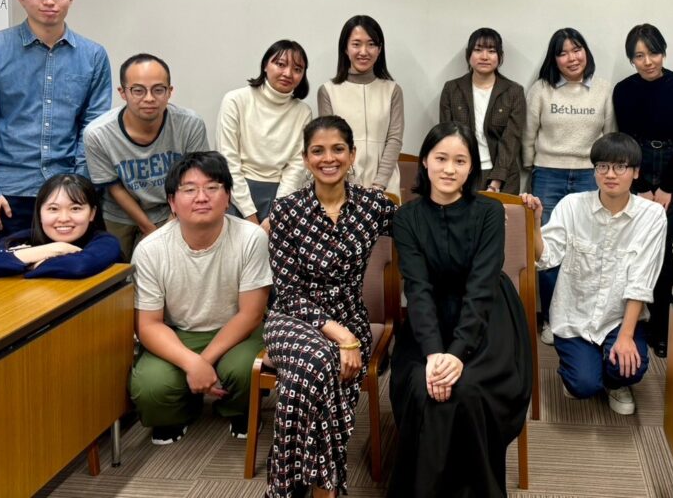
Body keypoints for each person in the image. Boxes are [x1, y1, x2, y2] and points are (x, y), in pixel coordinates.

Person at [389, 122, 532, 498]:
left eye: (460, 160)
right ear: (425, 161)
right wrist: (435, 353)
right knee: (423, 387)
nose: (449, 169)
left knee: (467, 390)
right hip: (428, 323)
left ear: (471, 168)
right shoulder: (407, 217)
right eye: (441, 158)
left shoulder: (490, 212)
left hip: (487, 319)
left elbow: (482, 287)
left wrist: (456, 354)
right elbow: (417, 290)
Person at [263, 116, 395, 498]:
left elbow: (423, 226)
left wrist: (483, 210)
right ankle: (327, 487)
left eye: (338, 149)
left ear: (352, 155)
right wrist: (342, 338)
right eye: (318, 151)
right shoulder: (286, 210)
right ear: (306, 159)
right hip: (292, 318)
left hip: (350, 317)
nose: (328, 158)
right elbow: (288, 293)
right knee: (324, 361)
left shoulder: (373, 206)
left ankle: (286, 484)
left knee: (305, 376)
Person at [129, 151, 271, 445]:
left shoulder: (251, 238)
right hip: (179, 332)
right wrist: (191, 363)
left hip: (238, 330)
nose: (202, 197)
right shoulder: (151, 249)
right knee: (150, 386)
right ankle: (180, 409)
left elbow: (251, 314)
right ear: (172, 202)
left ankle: (240, 411)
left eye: (212, 187)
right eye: (189, 189)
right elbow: (149, 324)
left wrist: (201, 363)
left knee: (246, 371)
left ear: (228, 197)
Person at [531, 133, 666, 416]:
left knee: (629, 369)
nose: (610, 174)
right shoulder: (572, 205)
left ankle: (615, 383)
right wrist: (534, 223)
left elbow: (641, 281)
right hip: (575, 317)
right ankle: (582, 371)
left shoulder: (652, 216)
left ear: (635, 172)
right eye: (602, 166)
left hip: (619, 318)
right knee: (583, 385)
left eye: (620, 166)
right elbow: (545, 258)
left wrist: (626, 336)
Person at [0, 0, 111, 246]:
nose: (49, 1)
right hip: (7, 194)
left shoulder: (93, 55)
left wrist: (78, 191)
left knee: (71, 269)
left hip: (68, 195)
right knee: (6, 271)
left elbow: (91, 130)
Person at [523, 27, 614, 344]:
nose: (571, 58)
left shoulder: (603, 89)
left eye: (577, 49)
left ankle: (584, 316)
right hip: (548, 174)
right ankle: (551, 318)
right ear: (554, 59)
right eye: (563, 53)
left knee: (588, 249)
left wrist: (604, 173)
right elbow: (528, 134)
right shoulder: (541, 89)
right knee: (546, 249)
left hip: (590, 176)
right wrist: (530, 167)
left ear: (586, 52)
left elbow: (610, 136)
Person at [612, 23, 673, 356]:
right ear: (631, 59)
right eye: (639, 56)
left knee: (670, 249)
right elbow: (626, 138)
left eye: (653, 53)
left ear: (663, 52)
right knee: (637, 247)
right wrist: (643, 186)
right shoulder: (624, 90)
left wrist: (667, 187)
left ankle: (663, 328)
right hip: (637, 165)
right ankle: (632, 325)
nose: (648, 62)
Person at [85, 53, 208, 260]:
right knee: (117, 269)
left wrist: (167, 229)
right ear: (122, 92)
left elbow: (193, 181)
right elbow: (114, 187)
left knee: (174, 265)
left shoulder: (190, 125)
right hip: (120, 213)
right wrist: (148, 229)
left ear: (169, 92)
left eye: (158, 90)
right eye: (138, 90)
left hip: (172, 209)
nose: (149, 98)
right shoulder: (98, 133)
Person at [216, 40, 313, 229]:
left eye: (297, 69)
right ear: (265, 65)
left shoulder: (303, 112)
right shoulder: (235, 100)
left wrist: (275, 215)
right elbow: (228, 161)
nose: (288, 73)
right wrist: (250, 215)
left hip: (281, 197)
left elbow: (296, 167)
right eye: (281, 64)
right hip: (235, 193)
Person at [318, 15, 404, 196]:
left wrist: (379, 185)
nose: (364, 51)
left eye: (371, 44)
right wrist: (350, 185)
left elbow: (394, 140)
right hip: (341, 184)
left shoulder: (393, 90)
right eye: (356, 44)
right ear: (345, 48)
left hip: (385, 184)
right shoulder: (328, 91)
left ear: (379, 49)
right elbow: (329, 143)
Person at [439, 27, 526, 194]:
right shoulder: (452, 89)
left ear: (500, 56)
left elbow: (511, 140)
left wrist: (495, 183)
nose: (484, 56)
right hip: (461, 173)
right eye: (478, 50)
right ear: (468, 54)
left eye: (491, 51)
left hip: (502, 176)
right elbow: (446, 136)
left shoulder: (514, 92)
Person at [0, 174, 120, 278]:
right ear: (39, 213)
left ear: (92, 213)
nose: (64, 218)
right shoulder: (24, 238)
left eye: (75, 208)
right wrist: (56, 249)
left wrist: (26, 260)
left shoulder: (106, 241)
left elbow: (79, 266)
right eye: (53, 209)